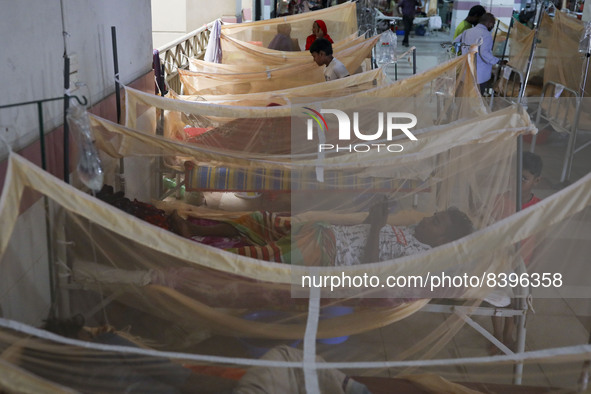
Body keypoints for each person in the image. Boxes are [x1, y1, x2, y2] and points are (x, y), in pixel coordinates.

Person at [168, 200, 474, 266]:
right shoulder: (411, 229)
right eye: (434, 215)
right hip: (325, 233)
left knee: (262, 258)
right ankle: (194, 228)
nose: (427, 219)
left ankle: (191, 250)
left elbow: (372, 269)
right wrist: (374, 215)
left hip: (327, 254)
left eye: (435, 223)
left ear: (442, 242)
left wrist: (378, 226)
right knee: (261, 219)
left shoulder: (417, 257)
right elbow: (369, 230)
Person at [488, 151, 543, 354]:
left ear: (536, 180)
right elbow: (489, 230)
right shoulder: (499, 200)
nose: (516, 182)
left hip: (524, 264)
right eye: (513, 176)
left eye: (523, 178)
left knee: (516, 301)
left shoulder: (538, 207)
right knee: (499, 299)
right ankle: (496, 335)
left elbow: (541, 237)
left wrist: (535, 264)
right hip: (499, 262)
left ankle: (509, 334)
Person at [454, 13, 503, 95]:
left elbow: (455, 42)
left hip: (466, 70)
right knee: (476, 99)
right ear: (489, 23)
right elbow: (484, 53)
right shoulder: (486, 34)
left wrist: (466, 51)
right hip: (479, 75)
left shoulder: (467, 32)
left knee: (465, 96)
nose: (492, 26)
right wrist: (497, 61)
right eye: (493, 24)